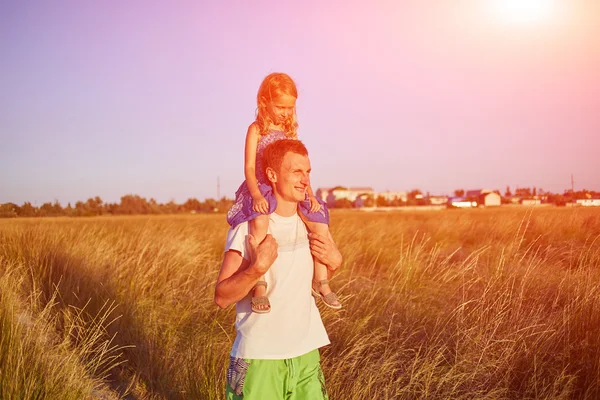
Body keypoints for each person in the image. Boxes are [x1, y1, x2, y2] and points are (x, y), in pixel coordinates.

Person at [215, 139, 342, 399]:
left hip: (307, 354)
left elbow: (309, 283)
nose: (304, 180)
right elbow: (222, 297)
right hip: (259, 361)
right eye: (296, 171)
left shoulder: (310, 225)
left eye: (307, 172)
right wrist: (255, 269)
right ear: (272, 175)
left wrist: (336, 264)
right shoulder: (246, 230)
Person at [226, 72, 341, 313]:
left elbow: (298, 167)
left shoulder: (289, 132)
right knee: (261, 221)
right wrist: (256, 194)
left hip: (286, 185)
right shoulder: (256, 129)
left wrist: (308, 192)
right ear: (264, 101)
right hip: (262, 185)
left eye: (290, 108)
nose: (285, 113)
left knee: (319, 219)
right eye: (280, 106)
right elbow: (248, 167)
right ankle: (260, 284)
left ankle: (321, 279)